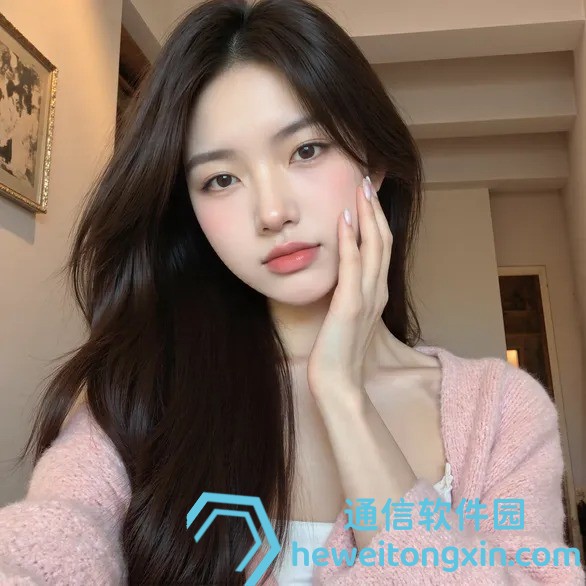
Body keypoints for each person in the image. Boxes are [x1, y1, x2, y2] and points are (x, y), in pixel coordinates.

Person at [0, 0, 583, 584]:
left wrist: (343, 395)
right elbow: (55, 538)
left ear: (374, 163)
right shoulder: (140, 392)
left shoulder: (501, 411)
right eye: (221, 179)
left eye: (306, 150)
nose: (273, 212)